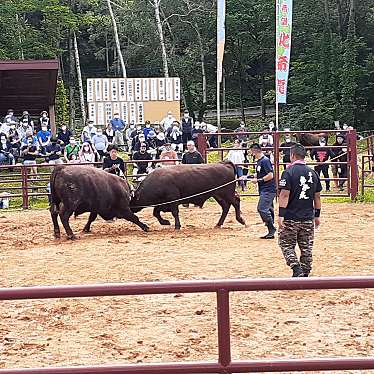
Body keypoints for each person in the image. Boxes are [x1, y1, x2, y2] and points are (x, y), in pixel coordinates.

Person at [278, 144, 322, 277]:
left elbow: (284, 194)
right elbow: (317, 197)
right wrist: (317, 215)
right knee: (306, 247)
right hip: (307, 216)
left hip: (291, 216)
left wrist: (281, 215)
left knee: (286, 244)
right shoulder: (313, 173)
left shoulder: (288, 172)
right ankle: (306, 271)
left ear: (292, 155)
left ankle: (296, 268)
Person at [249, 143, 277, 239]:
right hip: (264, 189)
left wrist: (258, 180)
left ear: (254, 151)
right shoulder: (259, 161)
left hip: (268, 189)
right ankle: (271, 229)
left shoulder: (265, 161)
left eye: (251, 152)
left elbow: (270, 175)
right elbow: (261, 173)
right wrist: (251, 176)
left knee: (262, 209)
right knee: (268, 208)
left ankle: (271, 228)